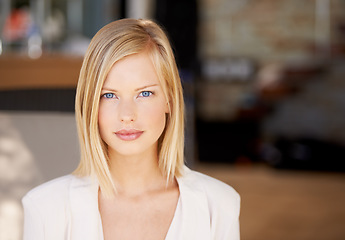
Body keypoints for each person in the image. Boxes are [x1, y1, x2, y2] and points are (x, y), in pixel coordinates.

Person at [22, 18, 240, 240]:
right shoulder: (45, 209)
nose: (127, 115)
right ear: (90, 105)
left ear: (170, 100)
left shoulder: (219, 205)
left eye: (144, 93)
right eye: (109, 95)